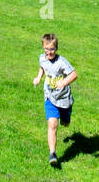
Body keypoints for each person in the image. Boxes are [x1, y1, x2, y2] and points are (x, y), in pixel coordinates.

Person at [33, 32, 78, 168]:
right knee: (52, 124)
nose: (49, 52)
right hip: (50, 97)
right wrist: (38, 78)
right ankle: (52, 154)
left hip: (63, 98)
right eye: (46, 49)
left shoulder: (61, 62)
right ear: (43, 48)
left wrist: (63, 82)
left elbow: (74, 74)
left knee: (64, 122)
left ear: (56, 48)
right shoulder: (42, 58)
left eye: (52, 49)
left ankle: (66, 117)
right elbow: (42, 67)